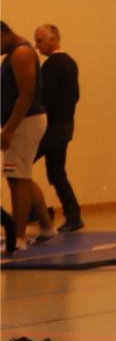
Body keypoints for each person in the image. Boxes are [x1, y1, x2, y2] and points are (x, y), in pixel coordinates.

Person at [0, 22, 56, 249]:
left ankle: (19, 237)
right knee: (21, 175)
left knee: (16, 177)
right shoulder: (13, 53)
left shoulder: (22, 52)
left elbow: (26, 95)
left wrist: (9, 129)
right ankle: (46, 226)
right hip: (21, 121)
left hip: (25, 121)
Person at [33, 24, 83, 232]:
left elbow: (45, 99)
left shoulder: (52, 65)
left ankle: (49, 212)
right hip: (65, 125)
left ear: (54, 40)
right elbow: (76, 95)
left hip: (51, 128)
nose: (37, 46)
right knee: (54, 172)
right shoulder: (70, 62)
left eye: (40, 41)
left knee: (20, 167)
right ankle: (49, 211)